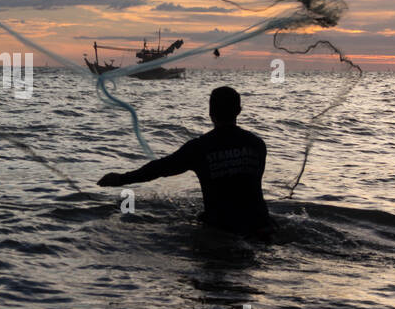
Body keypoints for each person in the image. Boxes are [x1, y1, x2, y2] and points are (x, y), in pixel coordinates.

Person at [97, 86, 273, 237]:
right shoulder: (257, 145)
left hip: (222, 230)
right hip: (262, 226)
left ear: (210, 112)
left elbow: (161, 168)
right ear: (239, 111)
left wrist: (121, 179)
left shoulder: (200, 147)